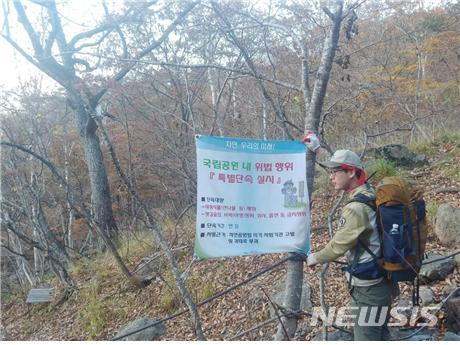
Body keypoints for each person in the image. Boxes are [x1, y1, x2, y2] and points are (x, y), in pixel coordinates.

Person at [302, 131, 398, 341]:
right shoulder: (369, 192)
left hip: (368, 291)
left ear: (352, 173)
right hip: (382, 283)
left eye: (335, 172)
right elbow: (343, 165)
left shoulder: (355, 208)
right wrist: (318, 149)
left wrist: (314, 258)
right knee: (381, 336)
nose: (331, 177)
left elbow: (339, 245)